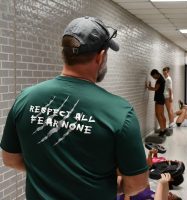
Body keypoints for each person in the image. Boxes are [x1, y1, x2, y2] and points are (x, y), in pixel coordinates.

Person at [1, 16, 149, 199]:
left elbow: (10, 159)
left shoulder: (26, 98)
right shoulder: (120, 112)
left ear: (64, 54)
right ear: (101, 56)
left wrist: (50, 175)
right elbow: (137, 184)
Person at [146, 69, 167, 135]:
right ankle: (164, 128)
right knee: (161, 114)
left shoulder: (160, 79)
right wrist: (150, 87)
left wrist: (148, 87)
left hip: (159, 99)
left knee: (158, 114)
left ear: (155, 74)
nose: (153, 78)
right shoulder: (161, 77)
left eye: (153, 76)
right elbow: (157, 88)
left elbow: (155, 89)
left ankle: (162, 130)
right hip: (161, 98)